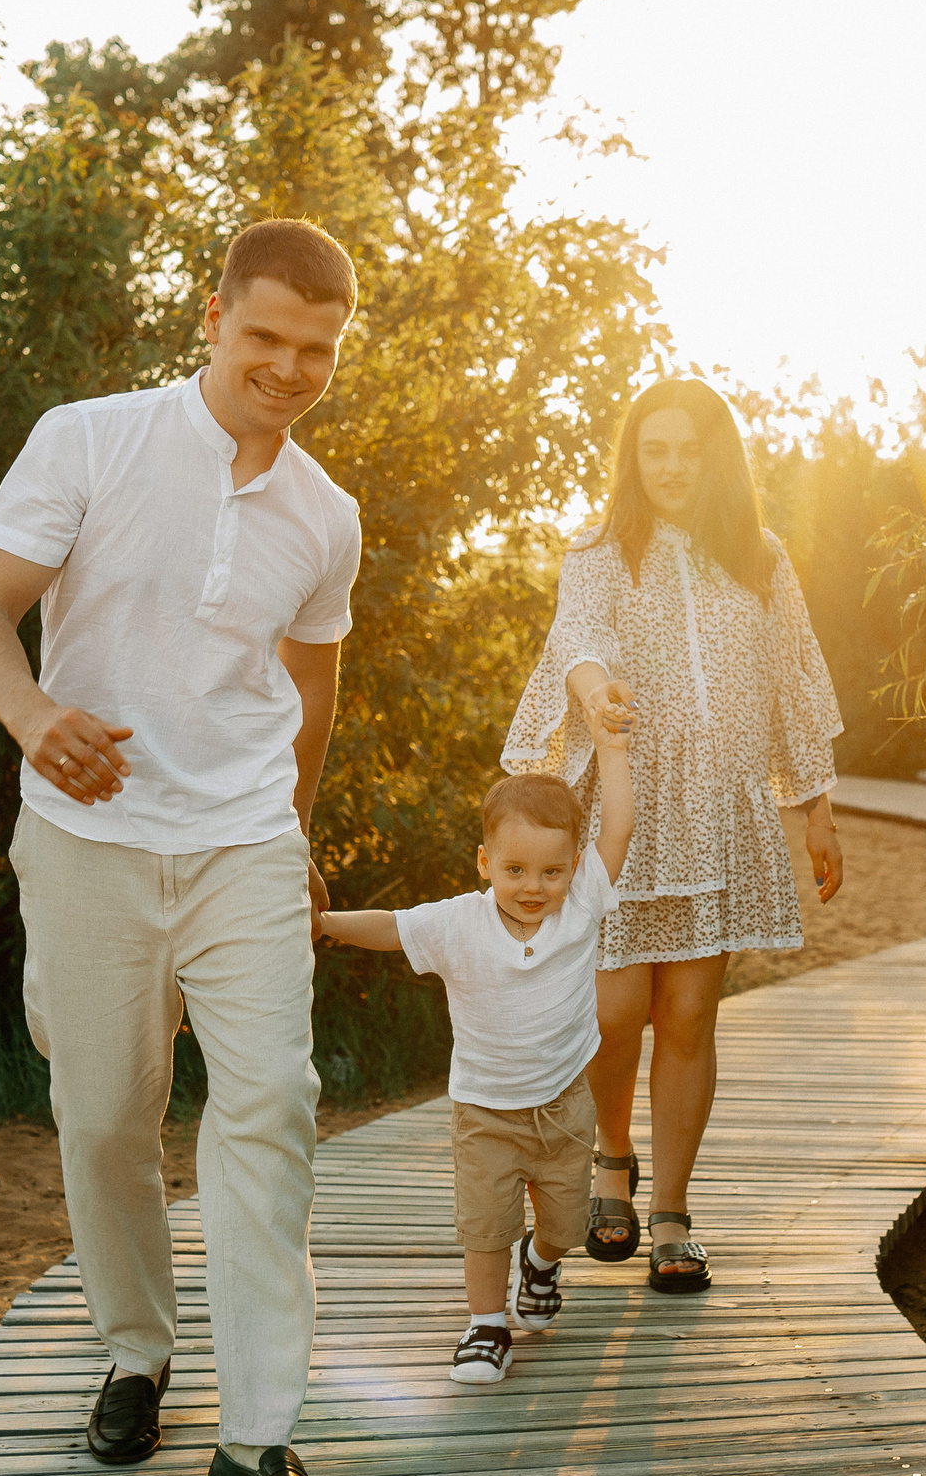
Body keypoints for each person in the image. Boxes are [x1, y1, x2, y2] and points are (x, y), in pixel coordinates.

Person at [0, 219, 362, 1476]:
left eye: (318, 349)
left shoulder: (326, 516)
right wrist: (34, 720)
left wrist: (288, 832)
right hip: (90, 840)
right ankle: (137, 1346)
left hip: (241, 836)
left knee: (274, 1099)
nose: (287, 369)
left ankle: (257, 1435)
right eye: (266, 338)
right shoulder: (88, 437)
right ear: (215, 315)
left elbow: (315, 689)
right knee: (108, 1112)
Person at [501, 378, 845, 1294]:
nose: (672, 467)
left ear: (716, 454)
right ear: (633, 459)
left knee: (689, 1016)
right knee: (615, 1016)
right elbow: (578, 633)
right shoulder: (603, 549)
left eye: (689, 449)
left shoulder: (759, 555)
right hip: (628, 812)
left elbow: (794, 674)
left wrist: (814, 799)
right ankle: (613, 1157)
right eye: (654, 450)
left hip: (719, 813)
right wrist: (593, 687)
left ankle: (673, 1215)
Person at [319, 700, 637, 1383]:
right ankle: (487, 1325)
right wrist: (321, 922)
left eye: (551, 872)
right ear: (485, 861)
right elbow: (391, 925)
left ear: (574, 867)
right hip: (486, 1111)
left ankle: (542, 1262)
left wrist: (612, 753)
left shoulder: (581, 903)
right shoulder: (458, 922)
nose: (533, 886)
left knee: (566, 1223)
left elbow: (621, 826)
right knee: (486, 1227)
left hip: (564, 1104)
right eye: (515, 869)